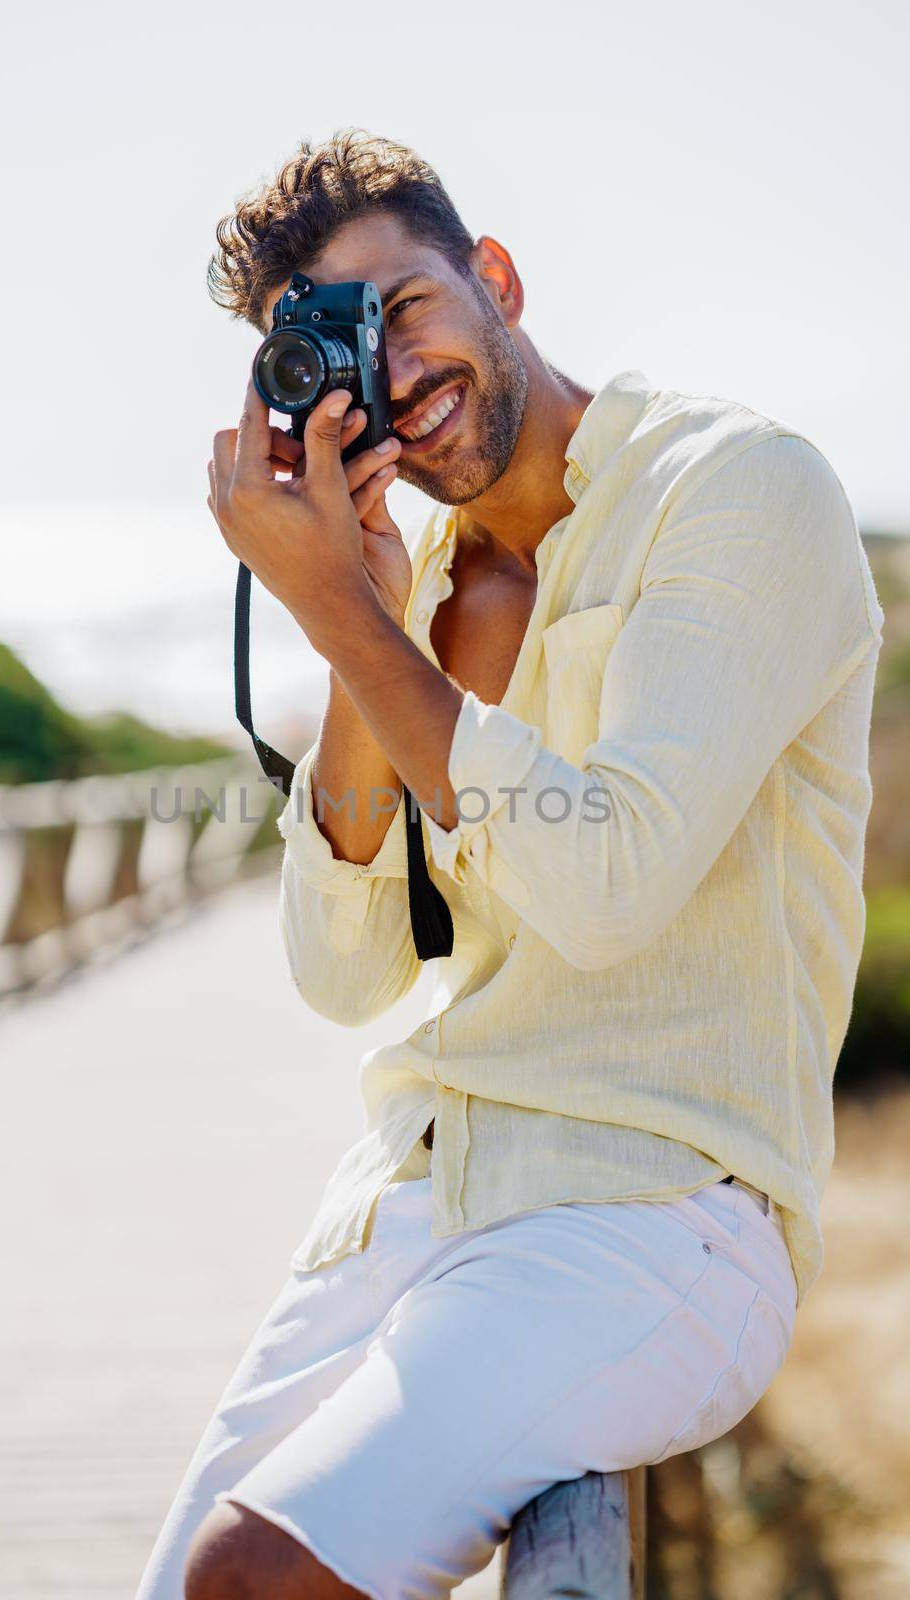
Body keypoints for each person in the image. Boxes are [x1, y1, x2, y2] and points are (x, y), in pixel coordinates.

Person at [136, 130, 884, 1600]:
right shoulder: (411, 582)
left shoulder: (736, 491)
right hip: (419, 1185)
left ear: (496, 277)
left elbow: (609, 889)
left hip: (659, 1209)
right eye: (337, 343)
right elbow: (346, 971)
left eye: (403, 304)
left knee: (251, 1579)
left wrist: (344, 625)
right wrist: (360, 597)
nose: (394, 370)